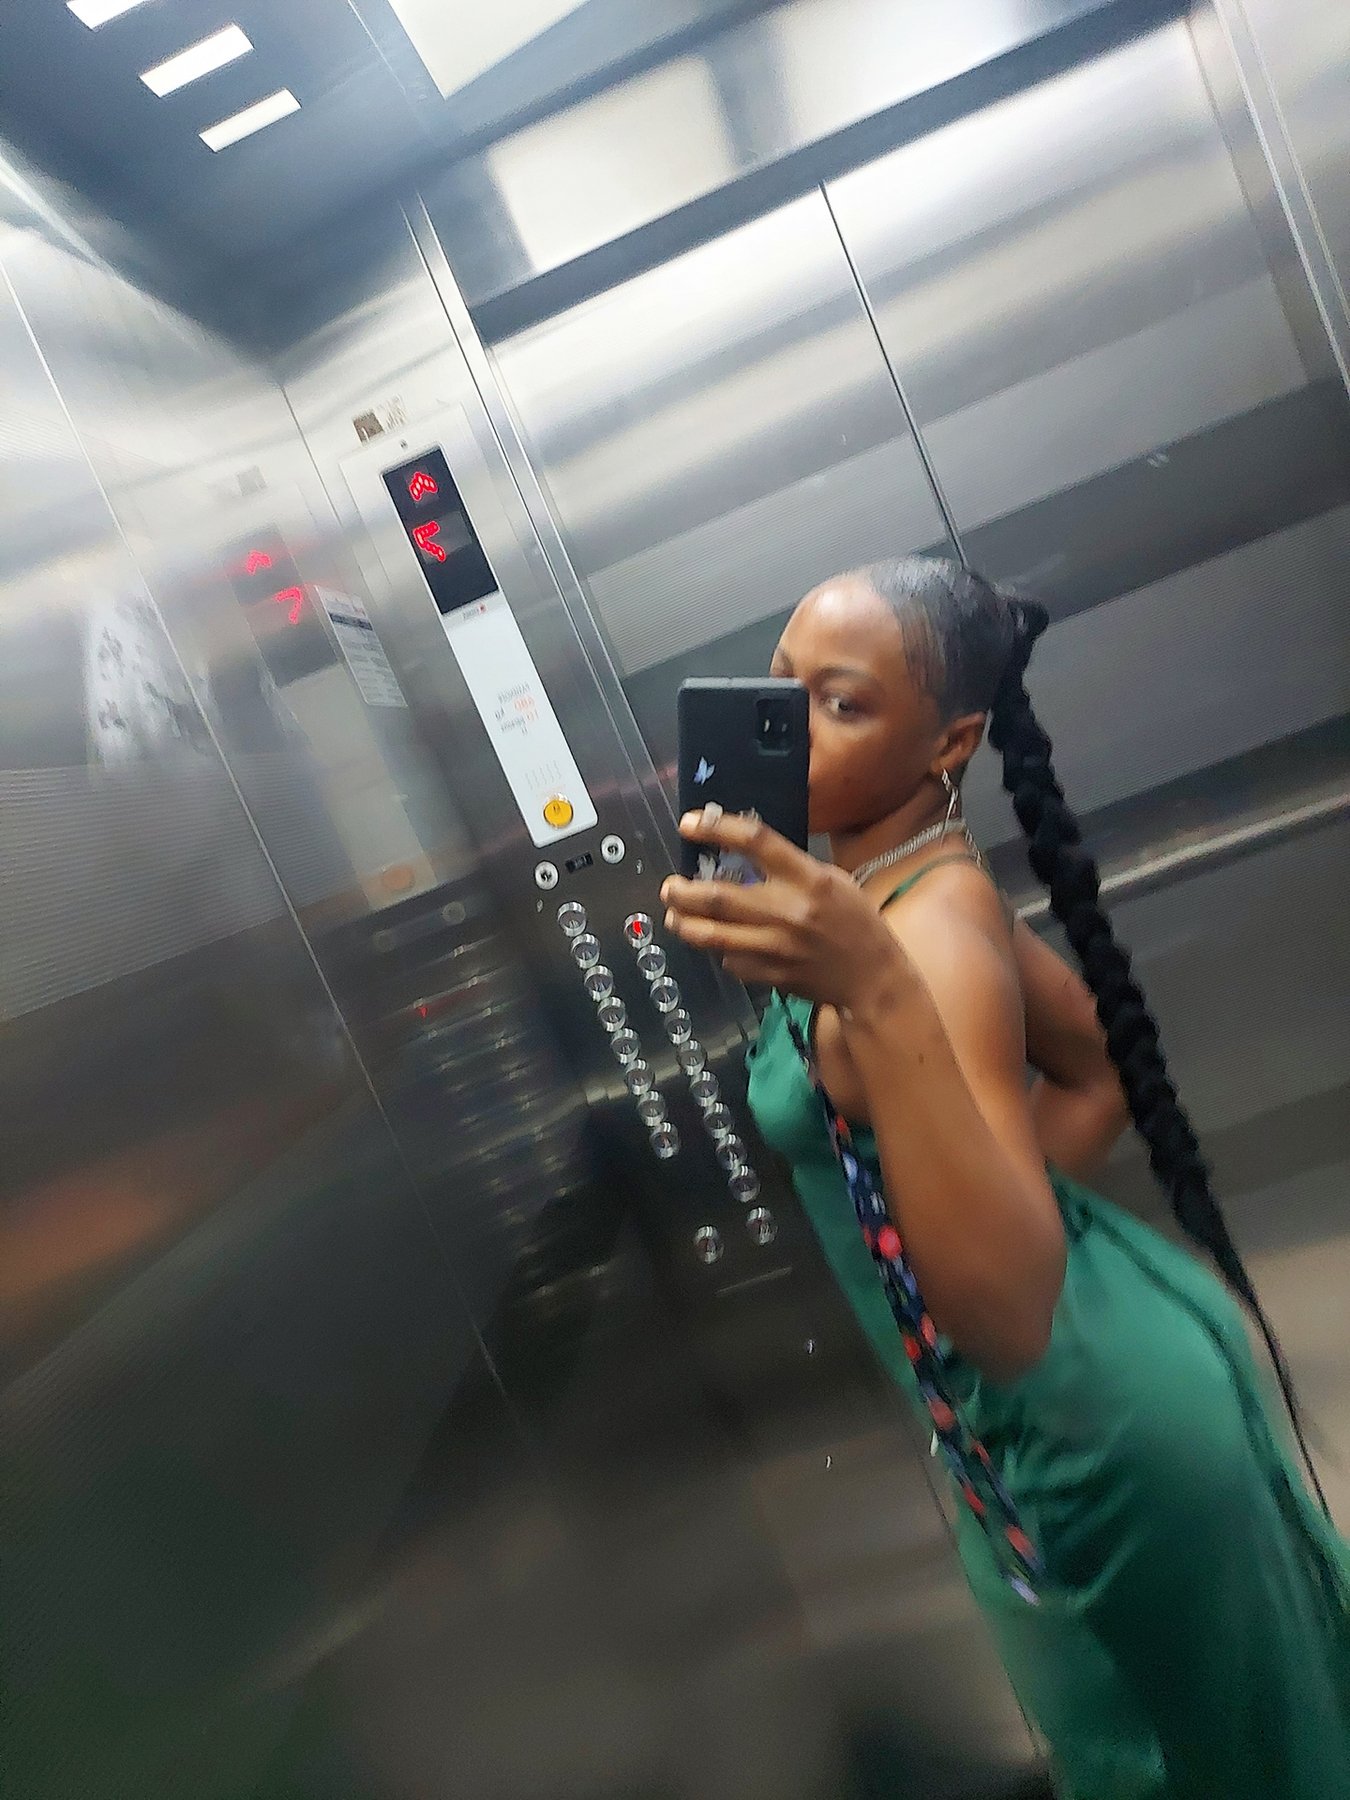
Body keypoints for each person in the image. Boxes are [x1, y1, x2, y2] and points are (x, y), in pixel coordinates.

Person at [660, 557, 1350, 1799]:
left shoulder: (919, 936)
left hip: (1077, 1433)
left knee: (1190, 1770)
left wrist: (877, 997)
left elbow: (1006, 1313)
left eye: (841, 703)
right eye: (779, 688)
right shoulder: (911, 886)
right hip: (1055, 1396)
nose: (791, 728)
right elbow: (1098, 1074)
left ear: (952, 743)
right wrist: (987, 1190)